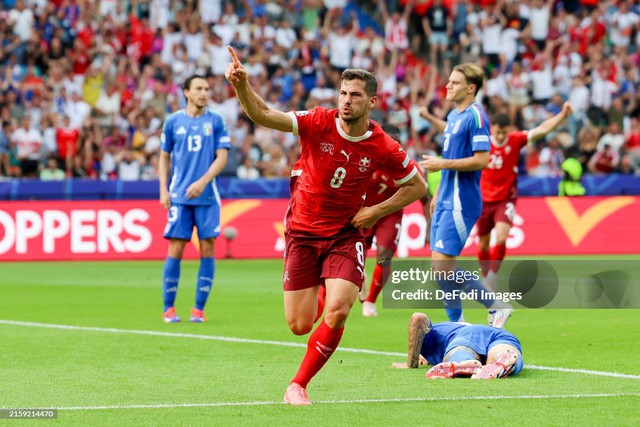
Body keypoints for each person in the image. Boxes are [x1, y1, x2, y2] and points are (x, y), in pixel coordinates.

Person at [225, 46, 426, 405]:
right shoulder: (317, 121)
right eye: (343, 93)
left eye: (356, 96)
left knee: (339, 308)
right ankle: (323, 286)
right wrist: (242, 86)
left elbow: (417, 186)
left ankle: (297, 385)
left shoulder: (383, 145)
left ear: (372, 102)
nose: (346, 101)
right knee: (300, 325)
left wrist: (376, 211)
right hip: (302, 232)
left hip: (346, 234)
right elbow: (263, 114)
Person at [419, 64, 511, 327]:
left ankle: (496, 305)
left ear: (471, 88)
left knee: (443, 267)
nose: (448, 86)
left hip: (462, 202)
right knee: (440, 269)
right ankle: (458, 325)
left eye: (455, 82)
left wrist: (442, 165)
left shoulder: (477, 117)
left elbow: (482, 160)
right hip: (446, 197)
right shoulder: (452, 116)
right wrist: (437, 193)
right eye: (449, 81)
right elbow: (452, 157)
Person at [477, 104, 573, 291]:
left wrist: (562, 115)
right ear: (492, 129)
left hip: (505, 199)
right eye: (497, 132)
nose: (500, 136)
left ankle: (493, 277)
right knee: (483, 243)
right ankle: (485, 276)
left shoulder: (515, 140)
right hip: (483, 200)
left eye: (504, 133)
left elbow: (542, 129)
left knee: (502, 237)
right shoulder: (481, 143)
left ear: (509, 130)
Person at [159, 74, 230, 324]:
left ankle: (198, 309)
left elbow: (222, 157)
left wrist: (202, 182)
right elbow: (164, 156)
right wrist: (163, 190)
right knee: (176, 247)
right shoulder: (173, 122)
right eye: (198, 88)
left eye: (207, 89)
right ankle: (169, 308)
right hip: (179, 195)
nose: (204, 93)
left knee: (207, 247)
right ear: (186, 92)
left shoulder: (216, 120)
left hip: (208, 195)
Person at [361, 123, 431, 317]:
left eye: (397, 143)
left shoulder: (409, 168)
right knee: (355, 253)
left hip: (389, 215)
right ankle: (359, 277)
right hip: (364, 211)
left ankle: (371, 301)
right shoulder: (368, 159)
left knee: (385, 256)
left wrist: (428, 229)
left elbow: (426, 199)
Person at [391, 312, 523, 379]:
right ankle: (502, 362)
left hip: (464, 336)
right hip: (499, 334)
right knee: (506, 354)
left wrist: (411, 363)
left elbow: (417, 318)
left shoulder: (432, 336)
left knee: (461, 354)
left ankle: (466, 363)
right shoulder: (444, 330)